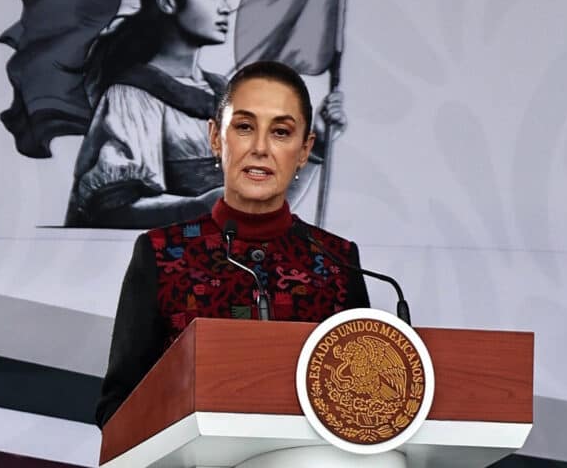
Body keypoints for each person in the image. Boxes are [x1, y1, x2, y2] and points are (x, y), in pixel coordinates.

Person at [94, 61, 370, 429]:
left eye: (281, 133)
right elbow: (118, 407)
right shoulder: (161, 253)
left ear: (305, 150)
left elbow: (364, 402)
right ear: (215, 138)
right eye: (243, 127)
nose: (260, 148)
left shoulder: (338, 262)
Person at [64, 0, 344, 229]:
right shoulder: (132, 96)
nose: (224, 7)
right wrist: (203, 207)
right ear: (167, 2)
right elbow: (114, 210)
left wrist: (316, 144)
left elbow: (263, 209)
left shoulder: (225, 94)